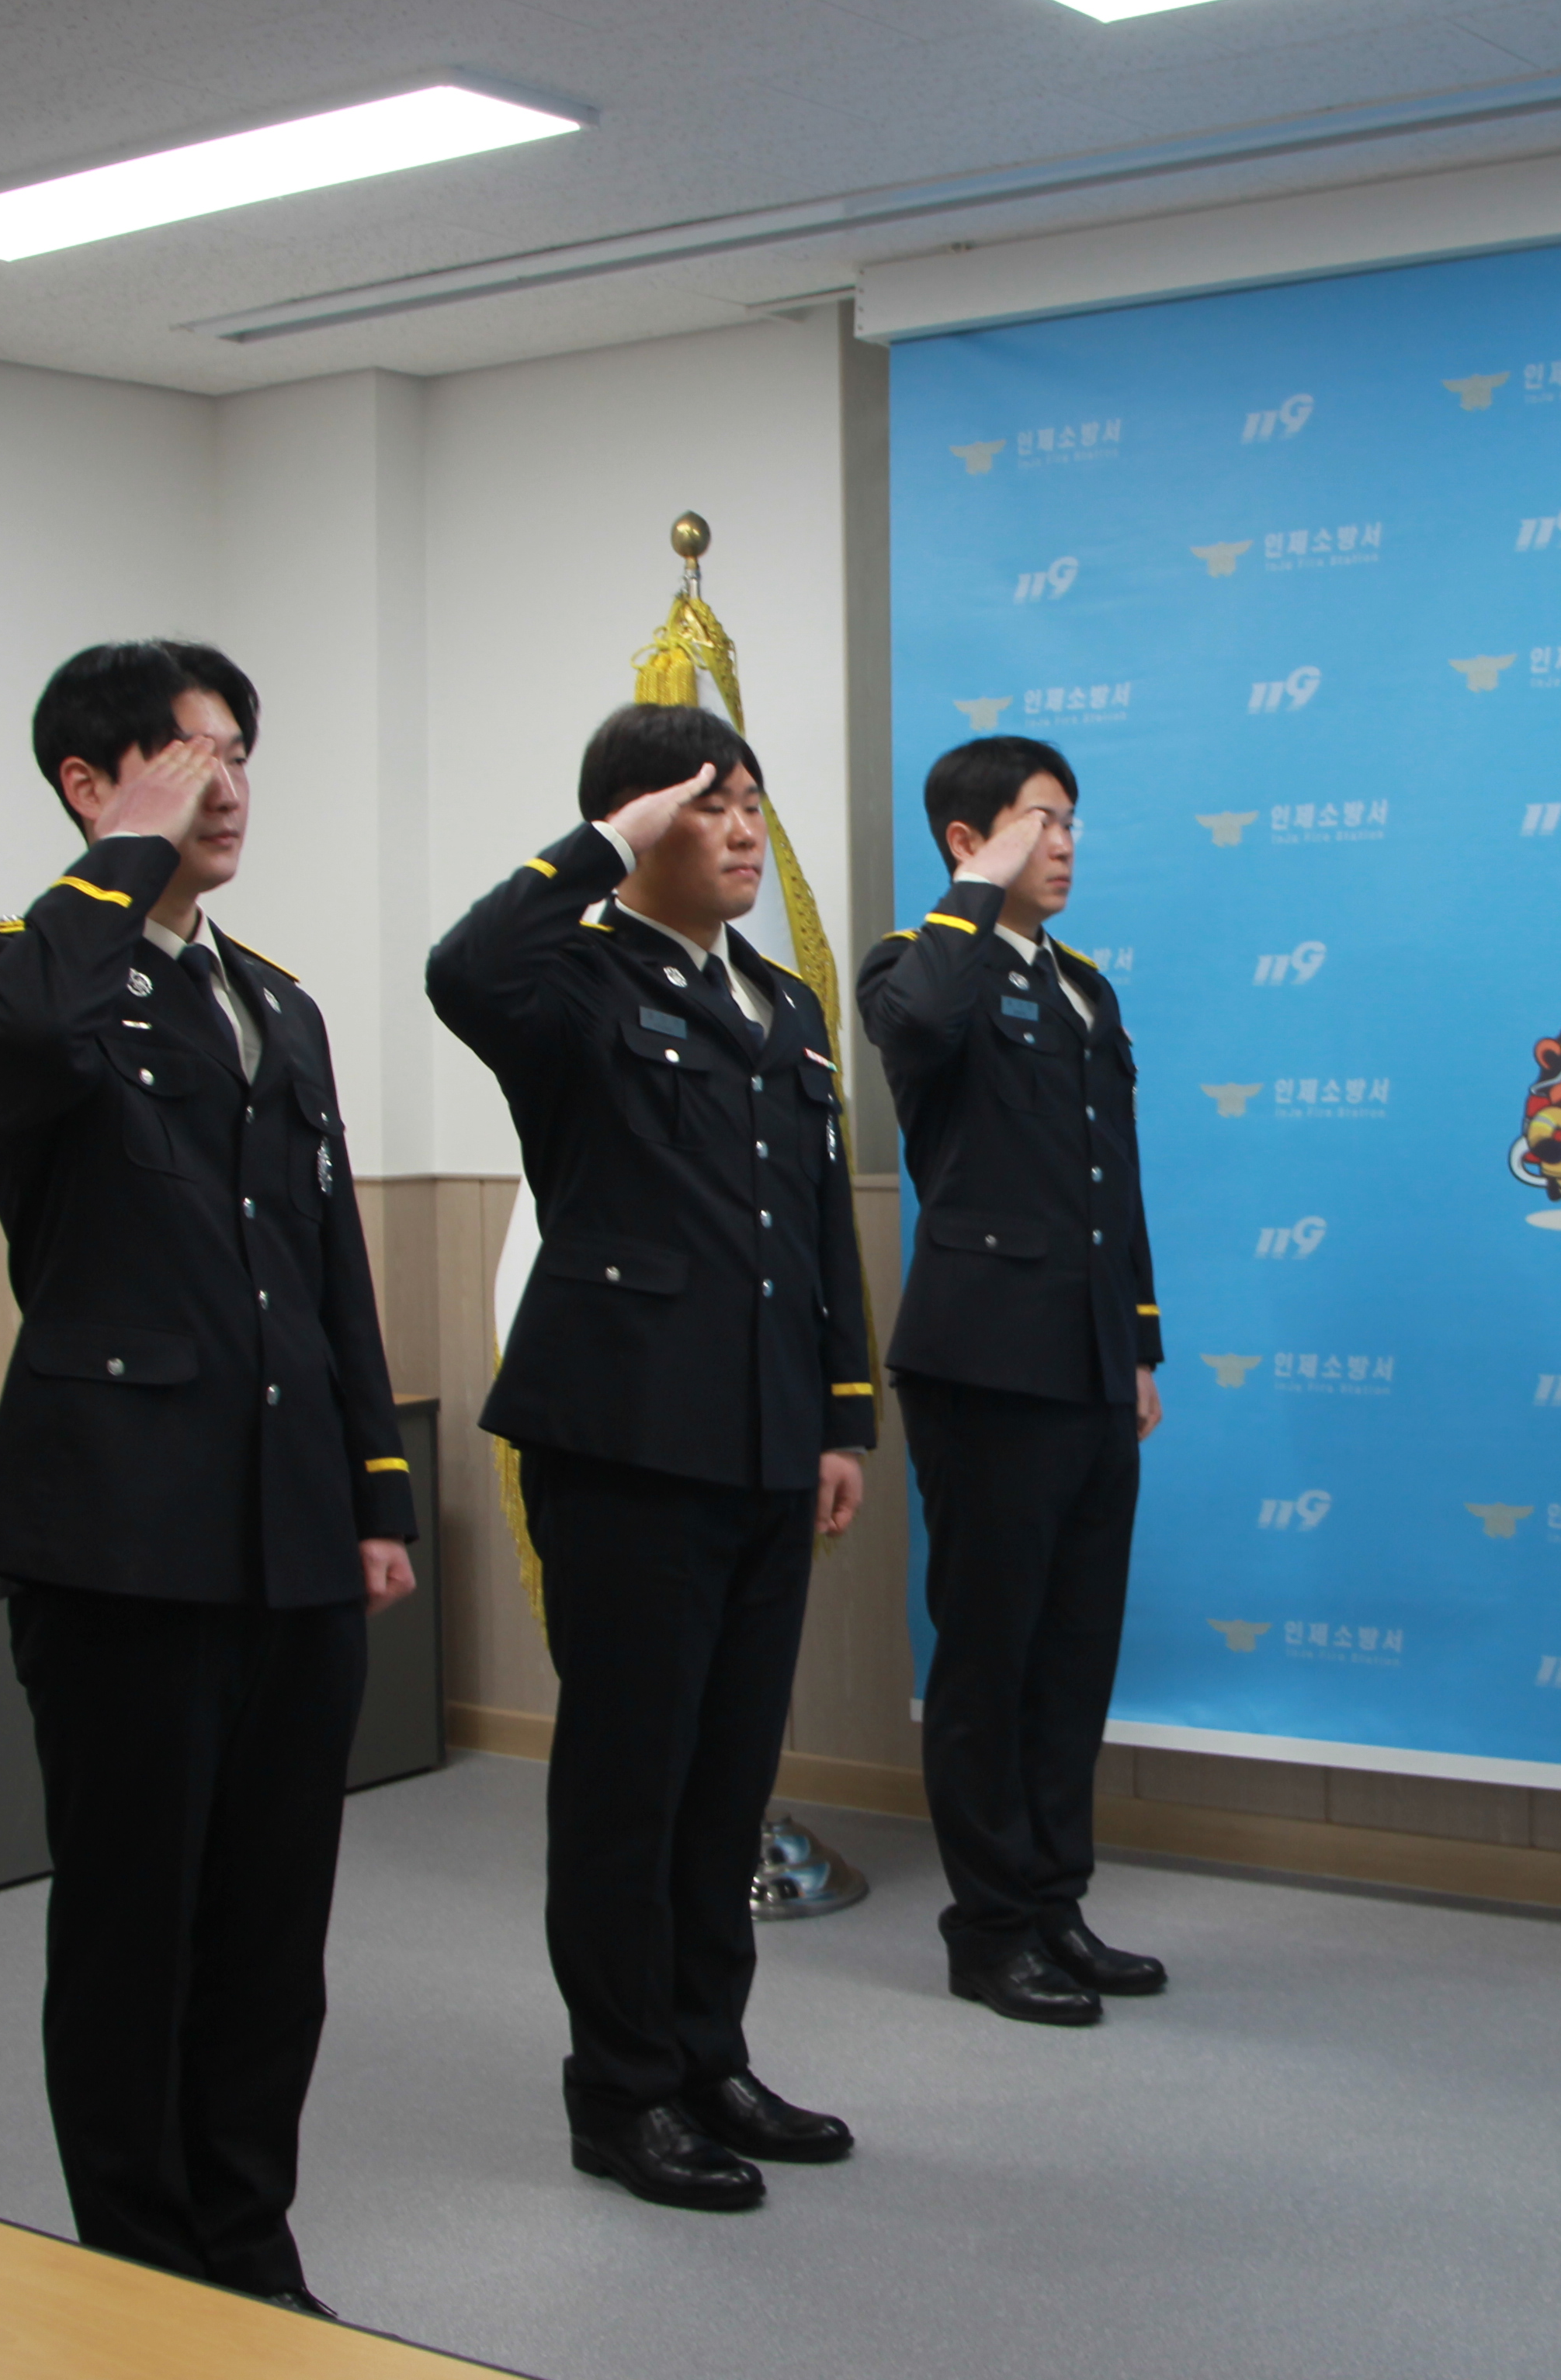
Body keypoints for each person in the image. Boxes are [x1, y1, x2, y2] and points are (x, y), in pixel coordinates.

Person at [0, 641, 416, 2312]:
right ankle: (142, 2270)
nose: (229, 786)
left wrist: (376, 1491)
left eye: (241, 754)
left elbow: (329, 1266)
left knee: (272, 1931)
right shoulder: (5, 969)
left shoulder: (274, 1000)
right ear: (89, 783)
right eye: (191, 756)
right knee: (137, 1928)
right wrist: (120, 863)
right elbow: (19, 1053)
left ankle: (248, 2246)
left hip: (288, 1528)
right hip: (121, 1535)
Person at [425, 702, 874, 2214]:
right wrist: (599, 848)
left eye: (754, 800)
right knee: (632, 1785)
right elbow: (461, 971)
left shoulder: (782, 1002)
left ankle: (707, 2057)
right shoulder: (568, 981)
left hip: (761, 1441)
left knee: (727, 1780)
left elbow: (817, 1227)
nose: (746, 828)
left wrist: (840, 1414)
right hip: (622, 1442)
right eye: (709, 803)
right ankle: (620, 2093)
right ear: (632, 825)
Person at [857, 736, 1167, 2025]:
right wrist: (973, 897)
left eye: (1074, 822)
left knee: (1073, 1652)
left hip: (1087, 1361)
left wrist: (1137, 1343)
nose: (1067, 844)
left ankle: (1054, 1904)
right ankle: (988, 1932)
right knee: (991, 1655)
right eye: (1043, 821)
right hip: (985, 1364)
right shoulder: (918, 963)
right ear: (968, 839)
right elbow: (920, 1029)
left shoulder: (1084, 986)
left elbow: (1115, 1185)